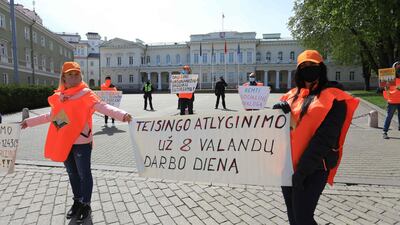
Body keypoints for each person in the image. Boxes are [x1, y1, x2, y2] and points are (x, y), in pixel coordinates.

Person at [21, 62, 132, 223]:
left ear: (80, 76)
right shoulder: (61, 96)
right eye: (69, 74)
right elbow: (51, 116)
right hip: (64, 141)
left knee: (84, 174)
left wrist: (123, 115)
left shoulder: (86, 94)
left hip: (81, 141)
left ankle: (85, 204)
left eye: (76, 74)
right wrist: (29, 122)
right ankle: (77, 200)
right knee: (72, 173)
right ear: (64, 77)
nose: (73, 77)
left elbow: (103, 107)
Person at [273, 50, 359, 225]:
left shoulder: (335, 97)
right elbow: (279, 130)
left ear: (321, 68)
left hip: (315, 168)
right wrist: (277, 112)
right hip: (289, 166)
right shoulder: (291, 95)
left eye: (312, 66)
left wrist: (302, 171)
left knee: (303, 217)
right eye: (303, 66)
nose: (308, 69)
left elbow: (325, 139)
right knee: (293, 216)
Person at [381, 61, 400, 139]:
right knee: (389, 117)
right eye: (397, 65)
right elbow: (386, 88)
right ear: (394, 67)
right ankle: (384, 132)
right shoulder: (390, 77)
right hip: (392, 100)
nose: (399, 67)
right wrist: (386, 86)